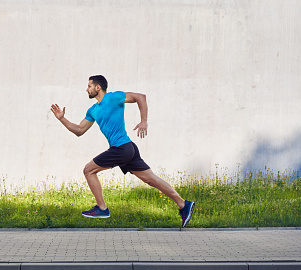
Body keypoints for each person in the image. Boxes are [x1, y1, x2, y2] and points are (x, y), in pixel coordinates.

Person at [50, 75, 195, 227]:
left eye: (89, 86)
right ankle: (183, 204)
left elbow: (140, 97)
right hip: (127, 149)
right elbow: (79, 130)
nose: (87, 89)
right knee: (150, 179)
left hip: (122, 148)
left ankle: (102, 208)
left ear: (97, 87)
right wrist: (62, 119)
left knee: (88, 170)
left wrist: (144, 121)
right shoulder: (93, 110)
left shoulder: (113, 98)